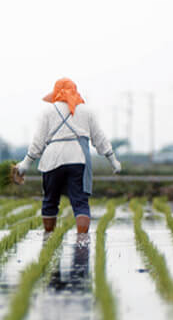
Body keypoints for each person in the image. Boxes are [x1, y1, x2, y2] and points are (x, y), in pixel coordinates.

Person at [16, 78, 121, 233]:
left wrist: (25, 163)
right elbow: (99, 138)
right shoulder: (86, 111)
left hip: (52, 159)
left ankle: (48, 236)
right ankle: (82, 239)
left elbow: (38, 142)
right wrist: (113, 160)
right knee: (80, 202)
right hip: (78, 158)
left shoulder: (48, 112)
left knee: (50, 200)